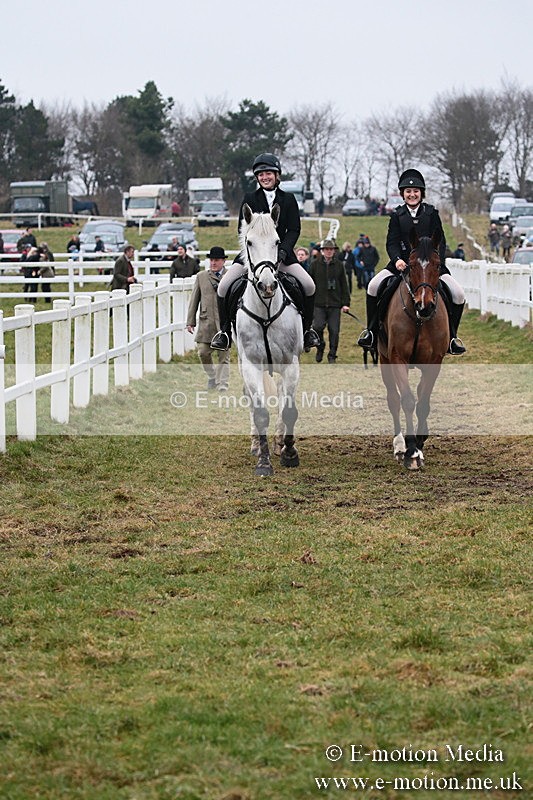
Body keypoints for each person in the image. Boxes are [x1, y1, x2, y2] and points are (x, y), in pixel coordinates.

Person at [210, 152, 320, 351]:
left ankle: (307, 330)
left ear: (277, 175)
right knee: (224, 287)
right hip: (253, 257)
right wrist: (252, 255)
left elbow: (294, 229)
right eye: (260, 174)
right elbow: (242, 230)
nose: (264, 177)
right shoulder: (250, 198)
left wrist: (283, 252)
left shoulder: (289, 199)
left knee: (309, 285)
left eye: (268, 173)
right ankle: (224, 332)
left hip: (281, 255)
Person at [357, 168, 467, 355]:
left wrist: (436, 264)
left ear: (421, 193)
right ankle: (372, 332)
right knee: (373, 286)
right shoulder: (397, 215)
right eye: (408, 191)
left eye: (416, 191)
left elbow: (440, 242)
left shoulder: (431, 214)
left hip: (430, 267)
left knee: (458, 294)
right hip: (401, 266)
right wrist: (397, 260)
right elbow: (392, 242)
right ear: (403, 194)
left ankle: (452, 338)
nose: (412, 194)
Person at [186, 246, 231, 392]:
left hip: (224, 324)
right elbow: (194, 300)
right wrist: (190, 321)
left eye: (216, 260)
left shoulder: (230, 276)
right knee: (203, 353)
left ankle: (223, 384)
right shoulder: (201, 277)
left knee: (224, 357)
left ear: (223, 261)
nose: (213, 263)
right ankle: (212, 376)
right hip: (206, 322)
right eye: (211, 260)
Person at [309, 239, 350, 363]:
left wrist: (345, 303)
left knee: (334, 331)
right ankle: (320, 346)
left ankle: (332, 355)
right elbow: (310, 284)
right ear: (322, 251)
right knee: (317, 327)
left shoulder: (339, 265)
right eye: (326, 249)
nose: (329, 251)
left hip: (335, 304)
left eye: (331, 249)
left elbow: (344, 285)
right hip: (318, 303)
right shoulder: (314, 265)